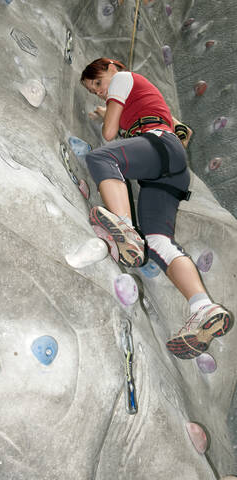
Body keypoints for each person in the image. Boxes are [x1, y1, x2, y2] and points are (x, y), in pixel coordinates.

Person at [80, 57, 233, 360]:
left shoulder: (124, 78)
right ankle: (203, 307)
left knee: (101, 159)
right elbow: (183, 133)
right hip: (170, 167)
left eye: (98, 83)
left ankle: (124, 226)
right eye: (93, 90)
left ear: (113, 66)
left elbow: (109, 135)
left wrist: (109, 113)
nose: (98, 91)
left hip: (158, 145)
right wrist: (119, 114)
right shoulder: (145, 98)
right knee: (160, 242)